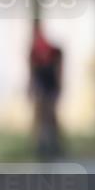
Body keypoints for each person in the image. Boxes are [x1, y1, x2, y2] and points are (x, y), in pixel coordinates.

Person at [29, 21, 64, 159]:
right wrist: (32, 87)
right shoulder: (33, 52)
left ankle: (55, 143)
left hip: (51, 84)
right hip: (41, 84)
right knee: (40, 115)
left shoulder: (54, 51)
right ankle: (41, 144)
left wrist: (58, 86)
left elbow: (59, 69)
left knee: (51, 114)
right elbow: (32, 71)